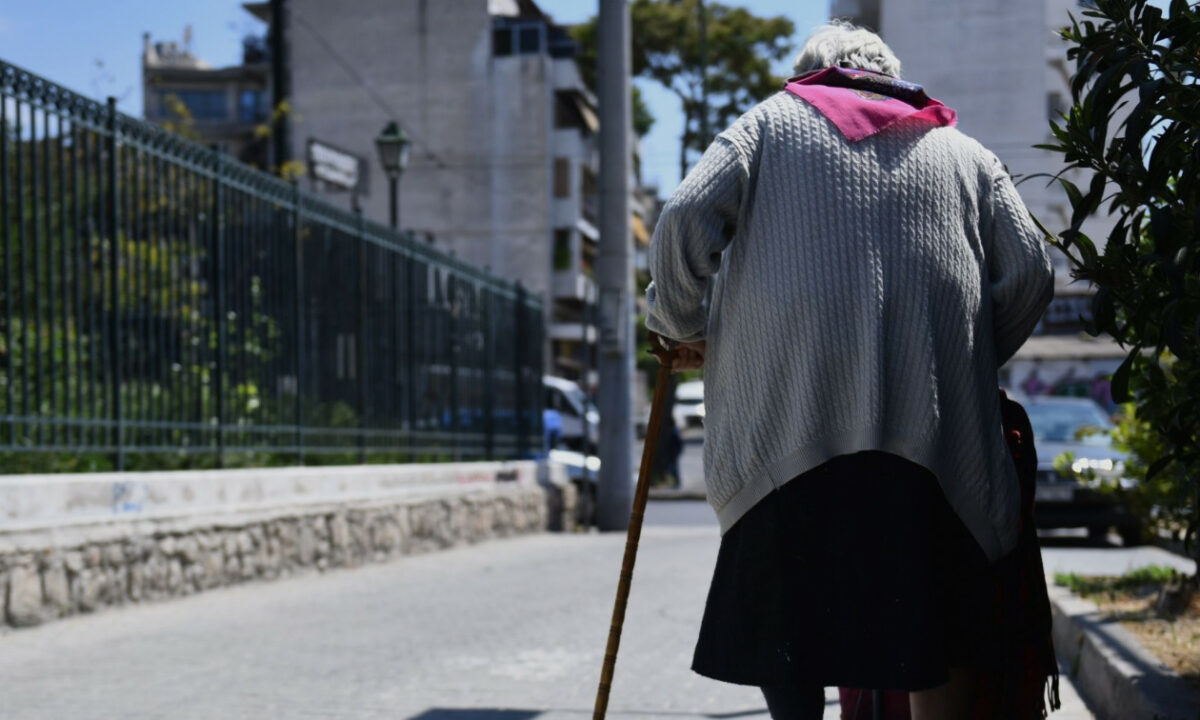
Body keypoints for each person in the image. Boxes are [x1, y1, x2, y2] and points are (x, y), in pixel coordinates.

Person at [644, 21, 1055, 720]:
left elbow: (684, 216)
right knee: (938, 641)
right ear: (889, 77)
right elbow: (1032, 275)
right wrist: (959, 357)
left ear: (809, 76)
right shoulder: (965, 154)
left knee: (790, 644)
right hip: (934, 451)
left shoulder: (767, 127)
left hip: (787, 446)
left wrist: (680, 324)